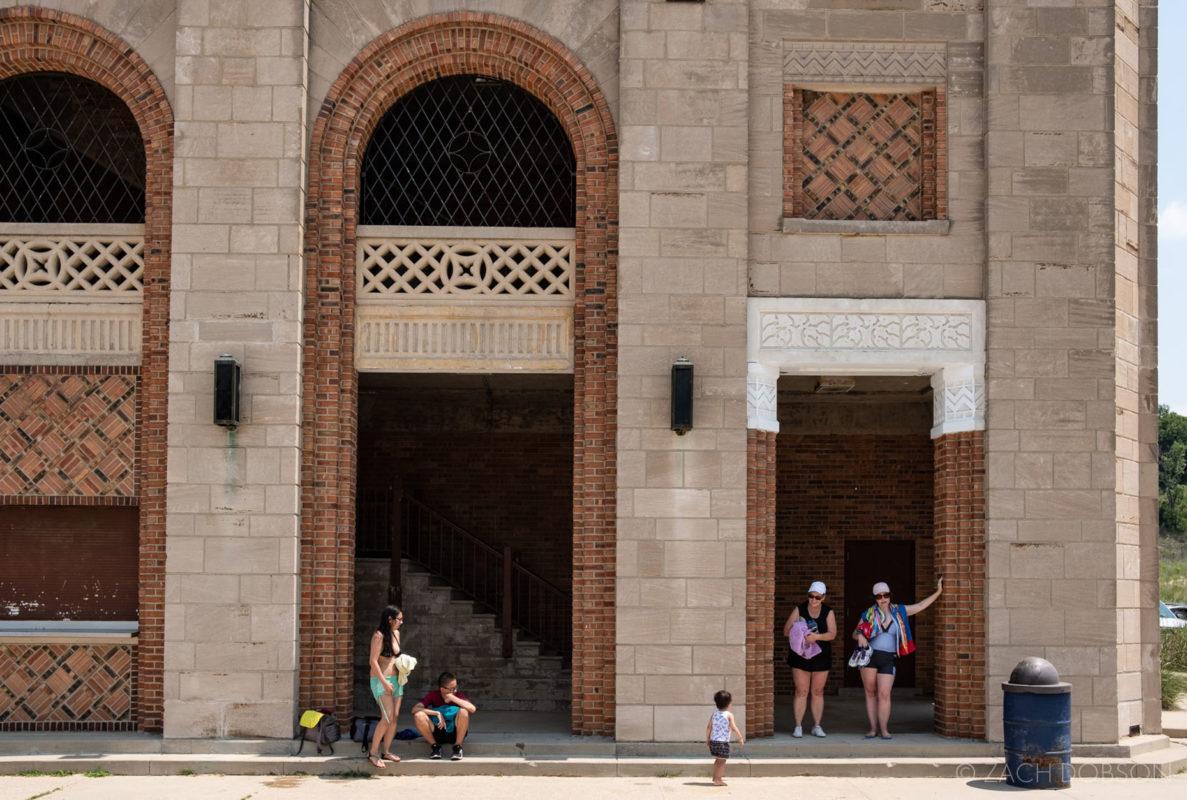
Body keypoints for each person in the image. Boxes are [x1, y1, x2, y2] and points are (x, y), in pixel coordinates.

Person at [853, 577, 943, 740]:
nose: (883, 599)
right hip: (870, 657)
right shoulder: (869, 613)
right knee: (870, 693)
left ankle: (884, 729)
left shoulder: (899, 611)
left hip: (888, 658)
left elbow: (921, 606)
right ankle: (873, 729)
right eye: (878, 596)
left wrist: (938, 592)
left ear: (890, 595)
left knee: (885, 694)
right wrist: (860, 635)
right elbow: (855, 632)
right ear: (874, 598)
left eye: (885, 595)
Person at [781, 580, 837, 738]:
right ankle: (798, 725)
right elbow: (786, 631)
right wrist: (801, 633)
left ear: (823, 597)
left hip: (821, 655)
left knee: (817, 692)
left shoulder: (828, 611)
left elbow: (832, 634)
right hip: (801, 654)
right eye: (811, 596)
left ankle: (817, 725)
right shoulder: (799, 609)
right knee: (801, 691)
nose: (813, 600)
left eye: (817, 598)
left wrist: (817, 637)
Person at [366, 605, 404, 768]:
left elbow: (395, 658)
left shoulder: (396, 634)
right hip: (381, 680)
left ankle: (386, 751)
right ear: (390, 619)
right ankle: (373, 753)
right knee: (387, 717)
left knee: (394, 716)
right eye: (399, 619)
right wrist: (384, 682)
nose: (401, 622)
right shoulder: (378, 636)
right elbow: (373, 661)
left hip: (397, 680)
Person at [410, 671, 477, 760]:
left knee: (464, 711)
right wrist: (437, 713)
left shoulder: (457, 695)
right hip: (438, 730)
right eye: (452, 688)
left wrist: (452, 697)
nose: (455, 690)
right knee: (418, 715)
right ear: (442, 689)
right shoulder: (433, 695)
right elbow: (414, 709)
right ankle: (435, 747)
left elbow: (472, 709)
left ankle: (457, 747)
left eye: (456, 687)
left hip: (455, 732)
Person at [705, 689, 744, 786]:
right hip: (722, 743)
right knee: (722, 762)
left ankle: (716, 777)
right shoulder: (729, 715)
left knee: (718, 760)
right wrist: (740, 737)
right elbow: (733, 727)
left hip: (713, 742)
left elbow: (709, 727)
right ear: (729, 704)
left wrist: (707, 739)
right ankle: (718, 780)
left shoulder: (714, 714)